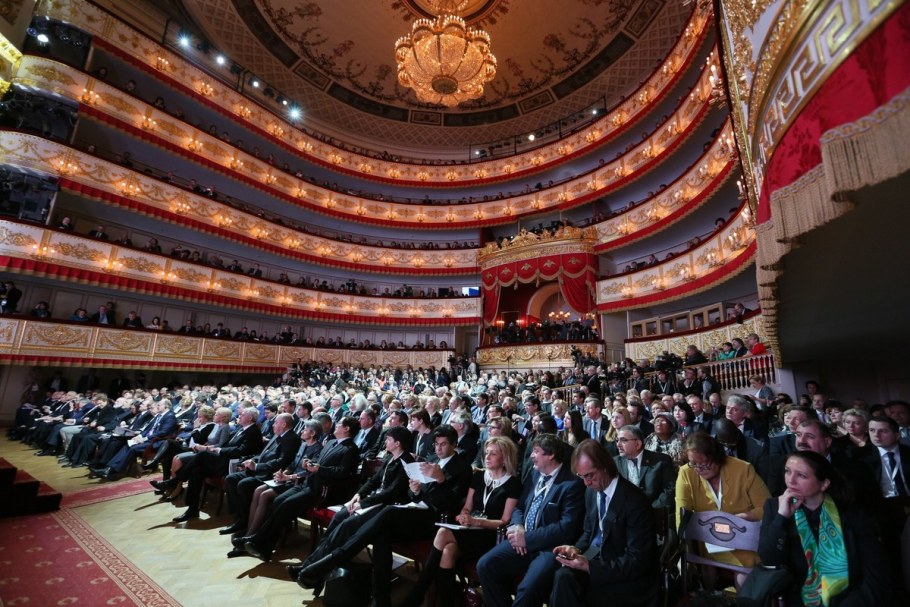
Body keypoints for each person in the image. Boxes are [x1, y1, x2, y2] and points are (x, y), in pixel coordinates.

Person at [293, 425, 472, 605]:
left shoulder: (462, 467)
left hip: (434, 520)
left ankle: (328, 562)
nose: (438, 448)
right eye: (436, 444)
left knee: (387, 511)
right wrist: (415, 490)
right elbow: (414, 494)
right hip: (413, 511)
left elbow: (452, 503)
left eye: (443, 444)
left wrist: (441, 480)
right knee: (381, 534)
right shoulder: (431, 459)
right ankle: (381, 599)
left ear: (454, 444)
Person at [755, 451, 893, 606]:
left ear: (824, 484)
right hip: (797, 598)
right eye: (787, 471)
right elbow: (769, 558)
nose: (791, 480)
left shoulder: (850, 512)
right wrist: (781, 518)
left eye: (802, 475)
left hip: (850, 598)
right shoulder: (775, 507)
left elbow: (875, 572)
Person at [400, 437, 522, 607]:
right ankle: (445, 602)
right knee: (448, 551)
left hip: (491, 535)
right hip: (470, 528)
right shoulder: (479, 476)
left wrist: (476, 522)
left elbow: (504, 521)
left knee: (443, 533)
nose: (487, 457)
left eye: (493, 453)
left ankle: (419, 593)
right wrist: (464, 515)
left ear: (505, 457)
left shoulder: (513, 483)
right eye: (487, 453)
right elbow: (467, 507)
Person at [477, 434, 586, 607]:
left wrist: (527, 539)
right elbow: (520, 506)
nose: (531, 456)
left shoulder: (572, 483)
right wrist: (518, 526)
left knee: (527, 588)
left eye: (536, 452)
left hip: (550, 547)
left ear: (550, 455)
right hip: (522, 539)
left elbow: (566, 528)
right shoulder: (534, 474)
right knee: (486, 565)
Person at [548, 439, 659, 607]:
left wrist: (590, 567)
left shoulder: (635, 501)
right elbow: (588, 533)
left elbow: (637, 561)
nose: (585, 483)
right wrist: (575, 549)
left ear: (605, 466)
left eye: (589, 475)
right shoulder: (592, 493)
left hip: (626, 577)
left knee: (578, 592)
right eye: (581, 476)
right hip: (598, 562)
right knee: (562, 576)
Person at [242, 416, 360, 562]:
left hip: (321, 490)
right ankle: (261, 541)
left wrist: (318, 468)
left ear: (347, 428)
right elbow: (318, 461)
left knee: (286, 505)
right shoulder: (330, 442)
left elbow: (342, 472)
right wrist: (309, 463)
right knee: (278, 500)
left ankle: (260, 542)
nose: (335, 426)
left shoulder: (351, 449)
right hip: (307, 483)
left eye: (339, 424)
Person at [675, 431, 770, 588]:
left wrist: (740, 518)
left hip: (742, 538)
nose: (699, 469)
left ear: (717, 457)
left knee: (743, 571)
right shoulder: (686, 472)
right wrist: (687, 542)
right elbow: (682, 513)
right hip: (708, 539)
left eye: (704, 463)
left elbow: (767, 508)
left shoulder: (742, 469)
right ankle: (712, 598)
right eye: (694, 464)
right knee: (704, 564)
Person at [219, 413, 301, 535]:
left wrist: (257, 466)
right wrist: (249, 462)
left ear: (283, 424)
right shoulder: (277, 435)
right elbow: (262, 454)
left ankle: (248, 521)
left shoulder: (292, 439)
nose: (273, 425)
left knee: (243, 484)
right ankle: (242, 517)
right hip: (259, 470)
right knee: (230, 479)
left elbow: (282, 462)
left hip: (270, 475)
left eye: (276, 423)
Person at [614, 425, 677, 508]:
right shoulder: (614, 462)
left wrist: (649, 510)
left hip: (654, 513)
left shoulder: (661, 461)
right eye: (617, 440)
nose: (618, 445)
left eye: (623, 440)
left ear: (638, 444)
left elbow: (669, 490)